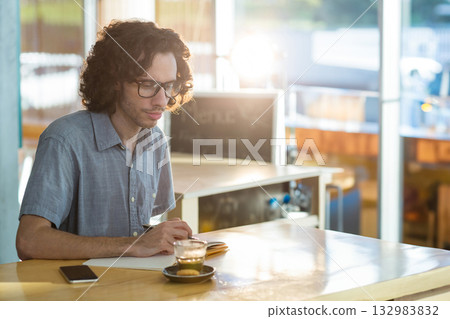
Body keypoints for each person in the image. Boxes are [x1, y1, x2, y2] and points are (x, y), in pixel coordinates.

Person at [16, 19, 194, 260]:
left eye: (169, 86)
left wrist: (162, 237)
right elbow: (29, 241)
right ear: (115, 82)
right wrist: (134, 244)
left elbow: (135, 232)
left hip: (130, 287)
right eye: (148, 85)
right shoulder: (64, 140)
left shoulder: (155, 140)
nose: (162, 100)